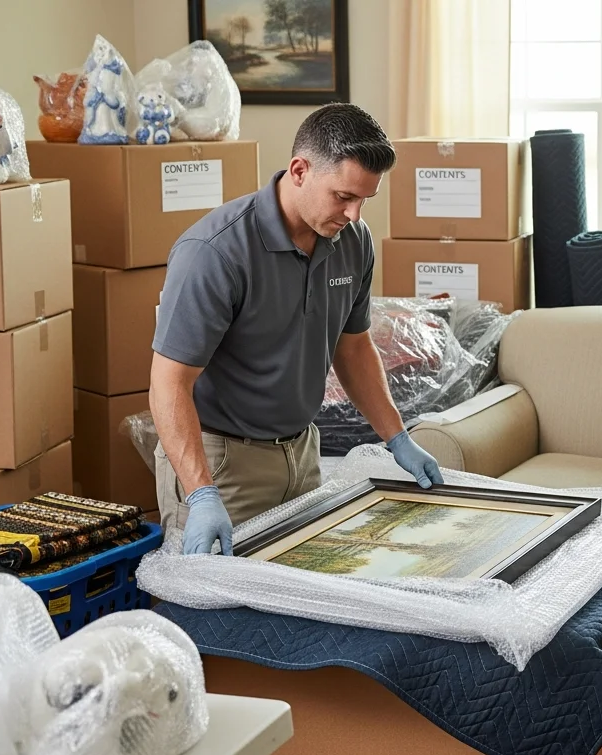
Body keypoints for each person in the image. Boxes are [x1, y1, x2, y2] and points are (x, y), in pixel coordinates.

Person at [150, 103, 444, 557]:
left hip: (302, 454)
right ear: (300, 171)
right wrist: (202, 493)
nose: (354, 214)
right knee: (218, 601)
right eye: (343, 196)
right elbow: (169, 383)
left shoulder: (353, 241)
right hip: (221, 466)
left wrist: (397, 437)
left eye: (364, 199)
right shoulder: (214, 252)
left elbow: (353, 348)